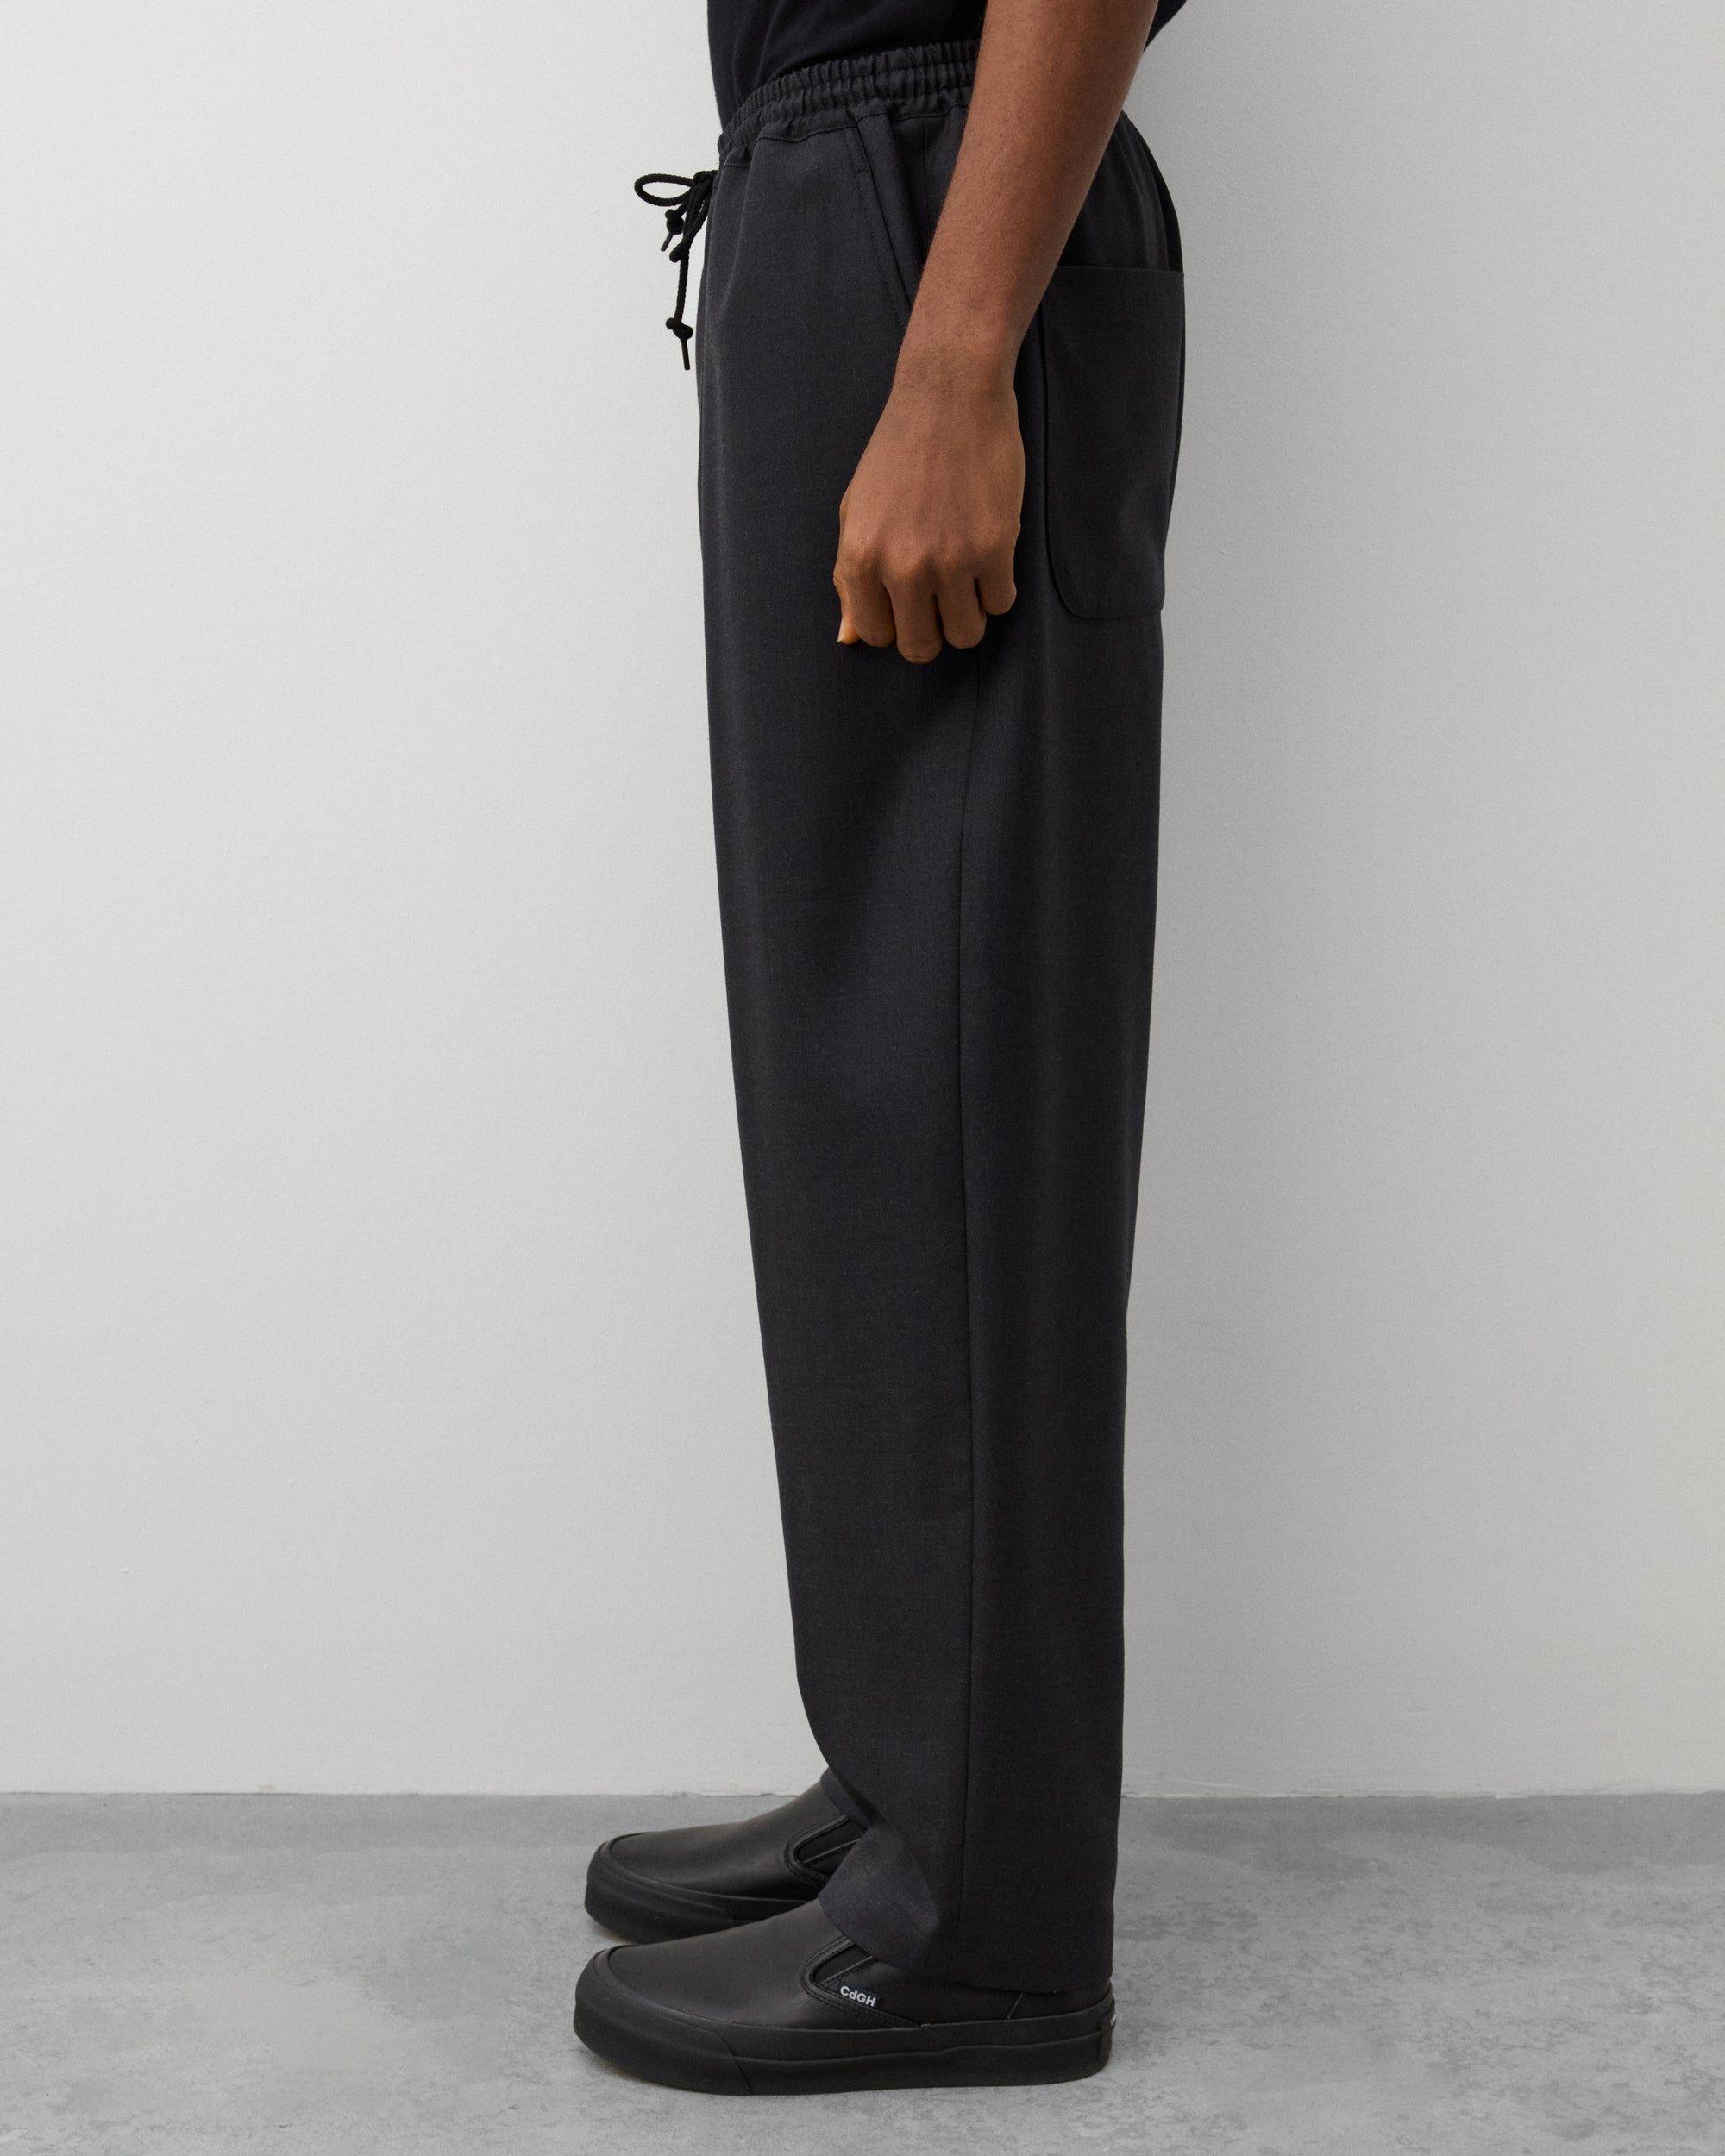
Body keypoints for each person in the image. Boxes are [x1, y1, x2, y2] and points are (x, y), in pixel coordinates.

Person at [574, 0, 1191, 2096]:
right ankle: (915, 1766)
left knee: (960, 1072)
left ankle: (983, 1918)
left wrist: (952, 358)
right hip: (839, 189)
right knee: (860, 1067)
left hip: (938, 198)